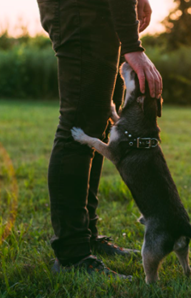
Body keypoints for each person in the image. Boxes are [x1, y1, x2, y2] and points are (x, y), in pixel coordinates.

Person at [36, 0, 162, 278]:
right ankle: (72, 255)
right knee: (78, 127)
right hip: (80, 8)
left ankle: (87, 237)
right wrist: (132, 45)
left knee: (97, 127)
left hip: (100, 9)